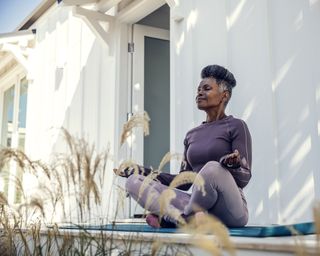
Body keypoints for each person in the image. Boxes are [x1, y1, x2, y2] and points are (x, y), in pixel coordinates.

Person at [114, 64, 252, 228]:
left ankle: (177, 219)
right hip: (199, 207)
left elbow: (244, 178)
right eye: (198, 89)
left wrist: (233, 166)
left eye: (206, 88)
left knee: (212, 169)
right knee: (134, 182)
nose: (199, 93)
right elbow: (183, 181)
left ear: (224, 95)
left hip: (230, 209)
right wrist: (141, 171)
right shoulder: (192, 134)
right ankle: (186, 218)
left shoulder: (236, 126)